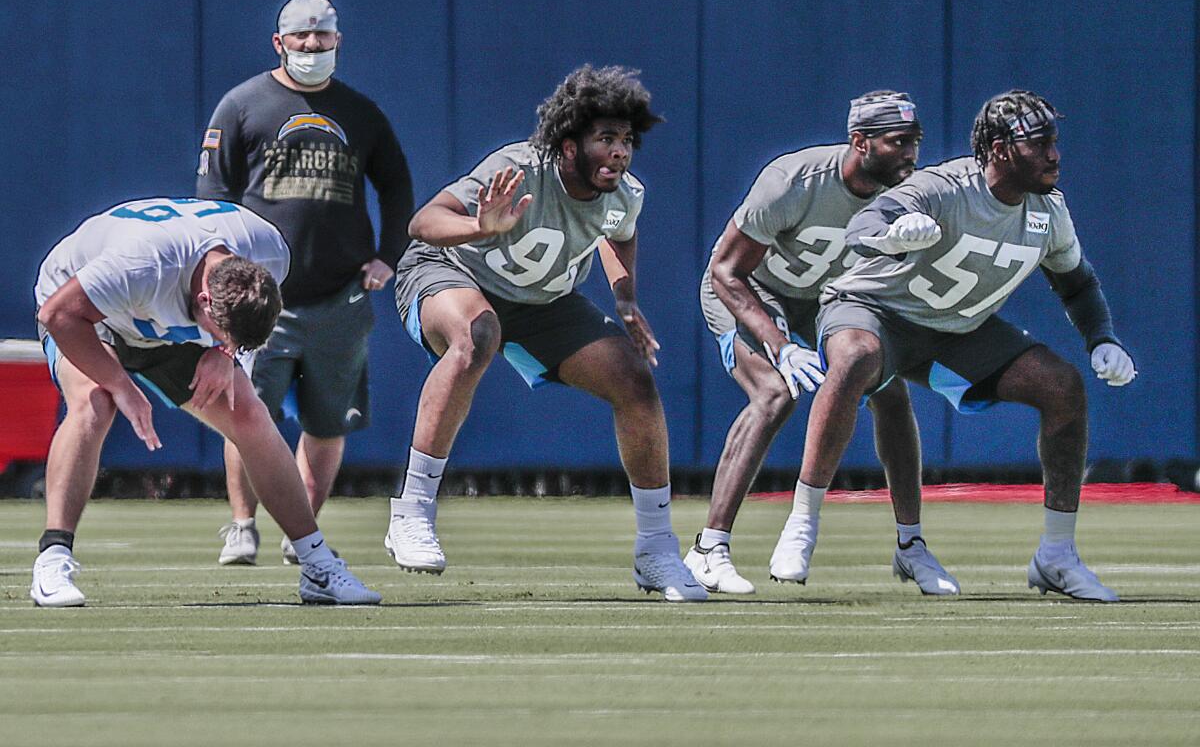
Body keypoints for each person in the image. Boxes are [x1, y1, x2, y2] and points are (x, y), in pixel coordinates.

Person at [772, 90, 1136, 602]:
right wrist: (893, 235)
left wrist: (1102, 339)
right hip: (877, 312)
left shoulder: (1048, 211)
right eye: (1040, 143)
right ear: (1002, 149)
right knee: (855, 357)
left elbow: (1076, 284)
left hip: (956, 332)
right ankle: (803, 521)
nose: (1054, 154)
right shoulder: (945, 187)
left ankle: (1056, 556)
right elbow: (861, 227)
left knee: (1062, 386)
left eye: (1055, 142)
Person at [389, 64, 705, 602]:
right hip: (452, 271)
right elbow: (424, 223)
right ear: (567, 144)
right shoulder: (519, 168)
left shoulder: (626, 194)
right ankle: (411, 512)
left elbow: (619, 234)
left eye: (627, 140)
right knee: (476, 336)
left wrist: (625, 298)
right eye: (605, 138)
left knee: (634, 378)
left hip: (541, 302)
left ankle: (656, 549)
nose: (620, 152)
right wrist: (478, 227)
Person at [31, 197, 381, 607]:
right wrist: (121, 385)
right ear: (203, 303)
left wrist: (226, 351)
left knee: (250, 414)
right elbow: (58, 315)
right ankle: (52, 560)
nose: (224, 340)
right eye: (222, 332)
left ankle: (317, 563)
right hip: (88, 315)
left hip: (158, 319)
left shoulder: (269, 249)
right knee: (96, 403)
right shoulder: (140, 266)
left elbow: (247, 325)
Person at [690, 91, 959, 596]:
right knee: (776, 394)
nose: (910, 156)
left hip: (826, 300)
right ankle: (709, 547)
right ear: (860, 142)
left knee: (889, 392)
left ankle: (910, 545)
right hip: (749, 291)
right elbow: (727, 271)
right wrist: (781, 345)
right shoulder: (794, 180)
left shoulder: (907, 196)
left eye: (915, 143)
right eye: (898, 142)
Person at [197, 0, 414, 566]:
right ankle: (242, 525)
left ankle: (304, 534)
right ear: (280, 42)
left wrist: (387, 255)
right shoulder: (242, 105)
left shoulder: (361, 113)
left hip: (340, 293)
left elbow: (396, 186)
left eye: (322, 37)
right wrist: (226, 274)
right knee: (245, 415)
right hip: (258, 299)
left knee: (326, 421)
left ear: (338, 41)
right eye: (301, 37)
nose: (312, 47)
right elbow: (213, 196)